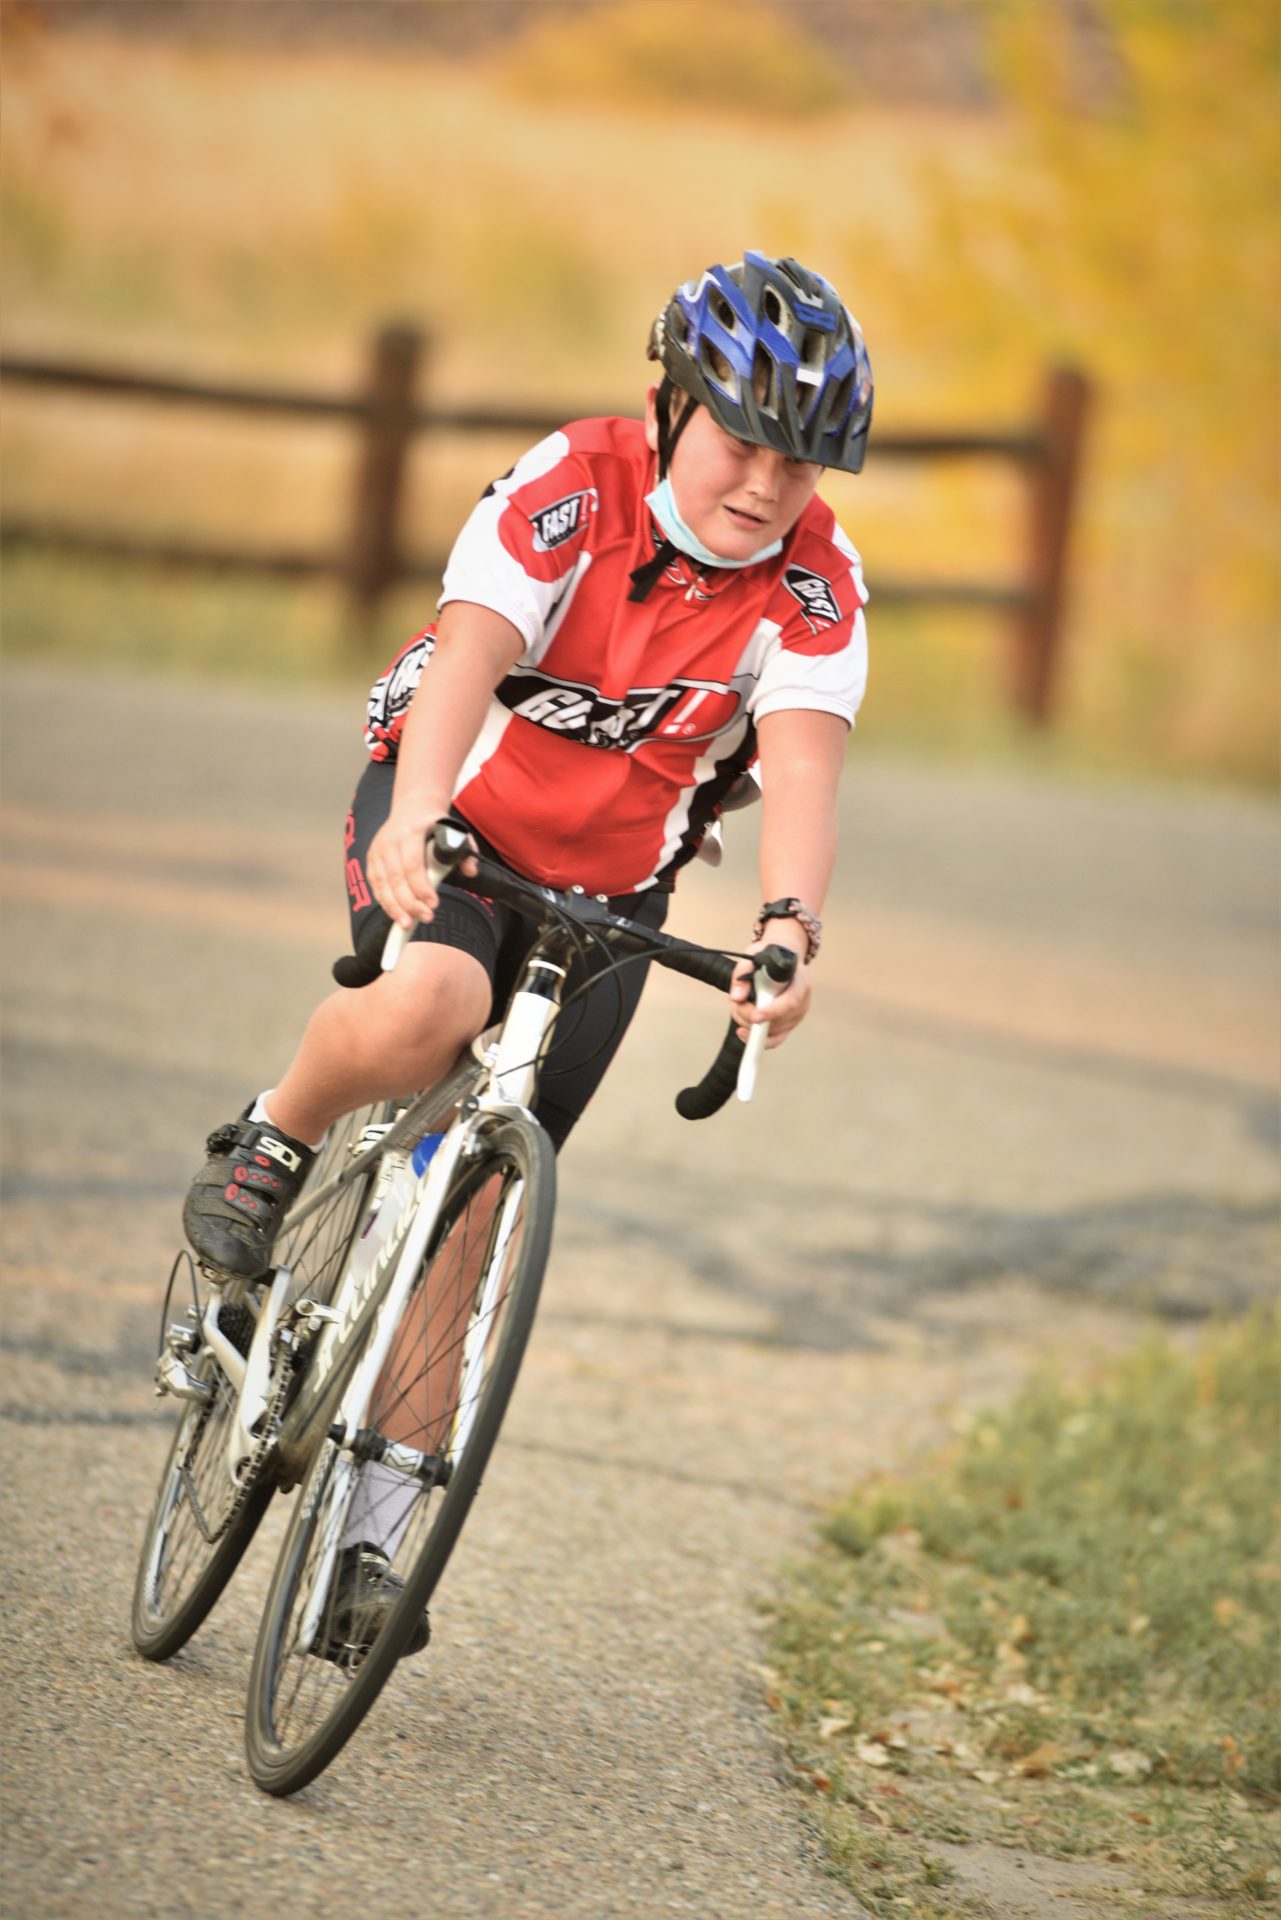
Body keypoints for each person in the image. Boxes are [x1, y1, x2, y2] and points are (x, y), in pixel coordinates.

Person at [181, 250, 873, 1649]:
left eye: (800, 465)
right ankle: (276, 1135)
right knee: (432, 997)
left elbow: (800, 774)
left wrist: (788, 930)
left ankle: (365, 1556)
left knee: (481, 1195)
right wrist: (418, 812)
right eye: (741, 441)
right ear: (668, 406)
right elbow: (466, 657)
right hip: (457, 829)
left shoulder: (815, 583)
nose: (764, 485)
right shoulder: (572, 484)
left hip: (613, 892)